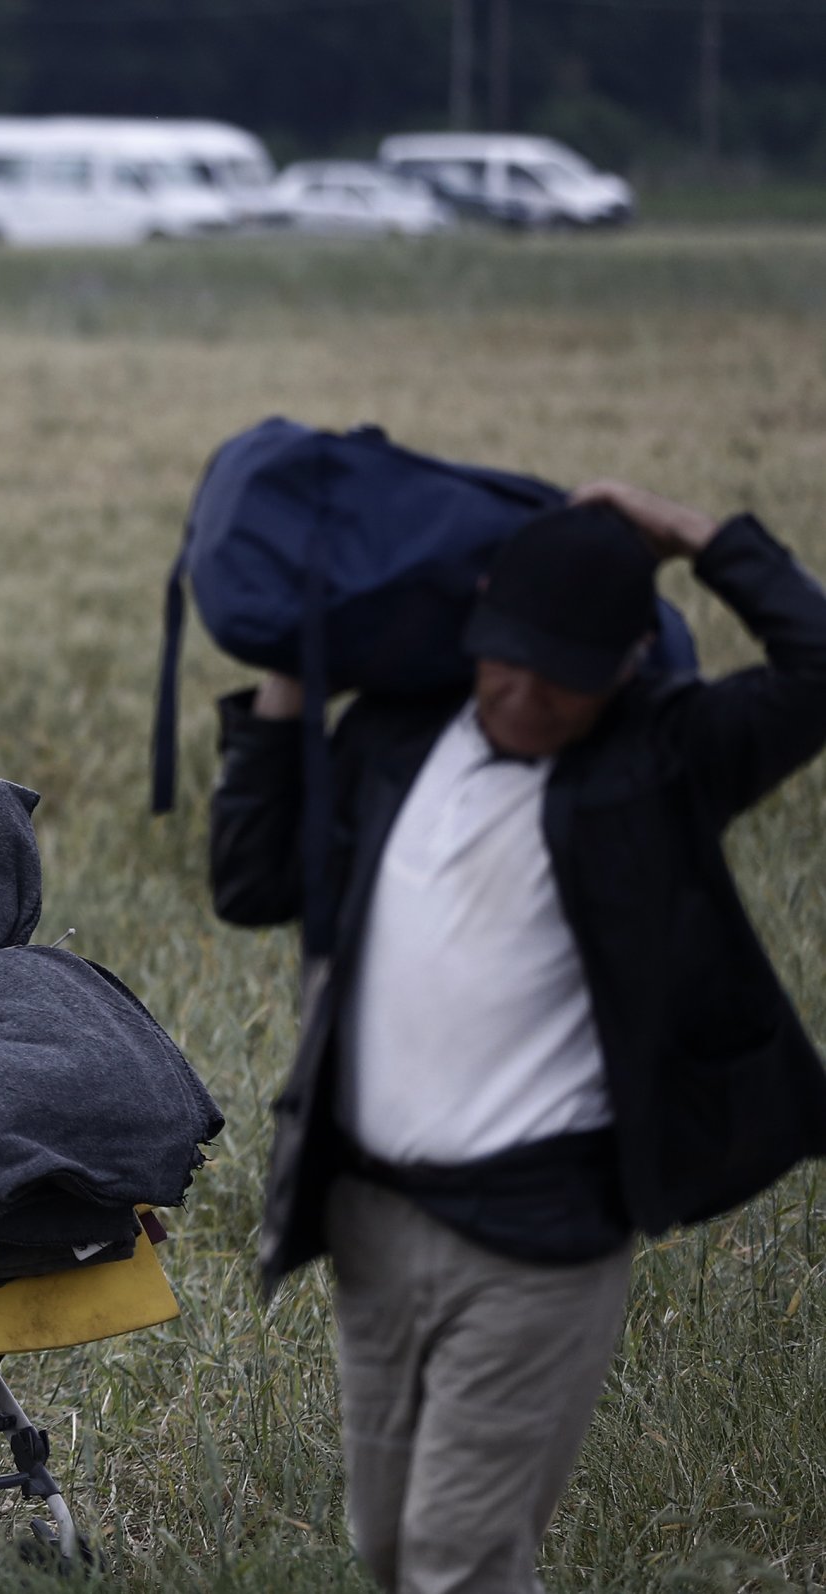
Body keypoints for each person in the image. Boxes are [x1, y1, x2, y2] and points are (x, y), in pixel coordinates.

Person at [208, 483, 826, 1594]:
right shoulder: (394, 738)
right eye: (510, 661)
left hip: (537, 1240)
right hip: (371, 1219)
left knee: (457, 1560)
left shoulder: (662, 760)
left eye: (570, 679)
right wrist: (291, 673)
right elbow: (251, 881)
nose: (529, 697)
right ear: (476, 621)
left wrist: (701, 537)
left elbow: (818, 668)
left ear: (632, 664)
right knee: (395, 1548)